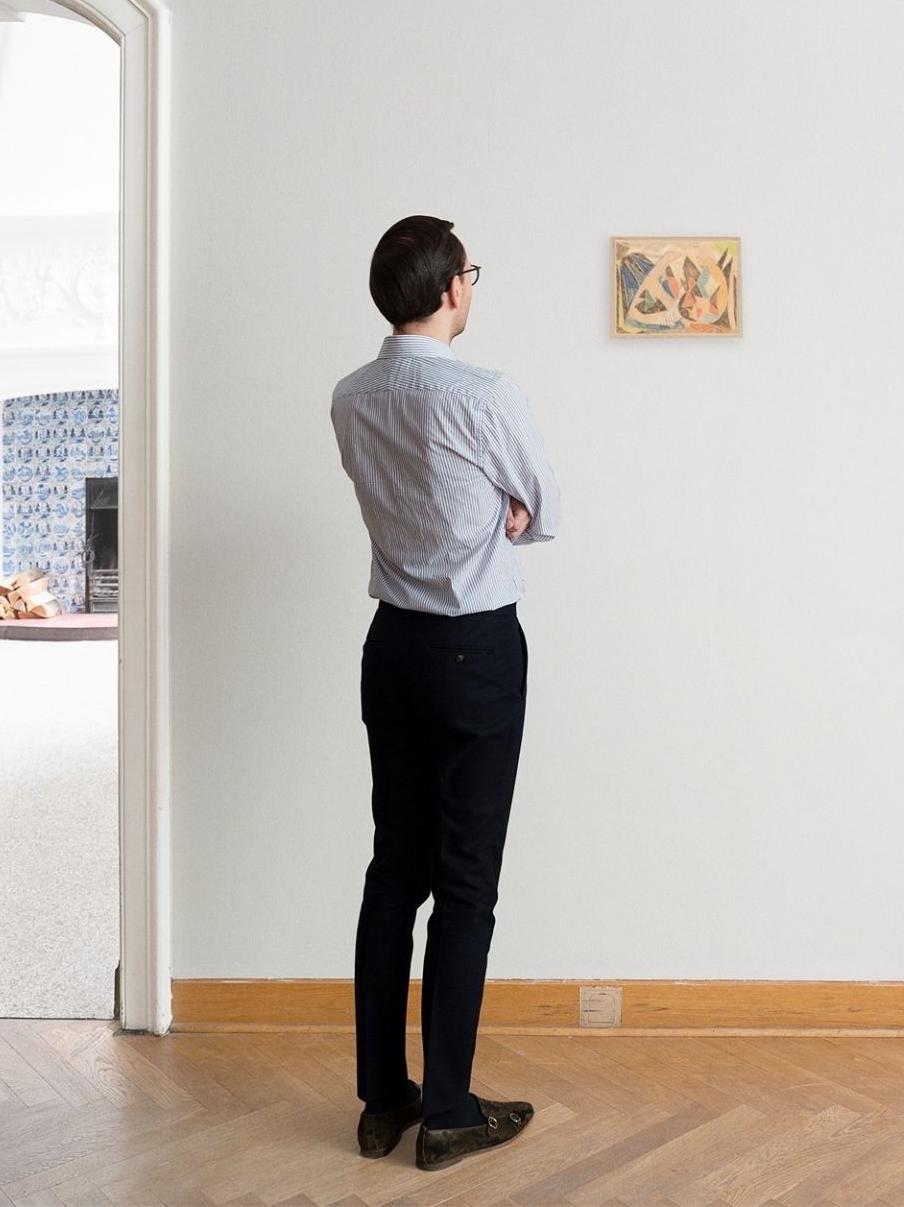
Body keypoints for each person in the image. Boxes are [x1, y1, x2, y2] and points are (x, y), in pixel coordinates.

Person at [330, 214, 560, 1170]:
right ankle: (452, 1110)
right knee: (466, 881)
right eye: (471, 271)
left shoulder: (350, 397)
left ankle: (385, 1099)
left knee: (395, 873)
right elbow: (544, 506)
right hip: (474, 651)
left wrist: (492, 509)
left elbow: (404, 498)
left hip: (393, 649)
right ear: (451, 289)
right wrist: (507, 511)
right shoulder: (485, 393)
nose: (473, 284)